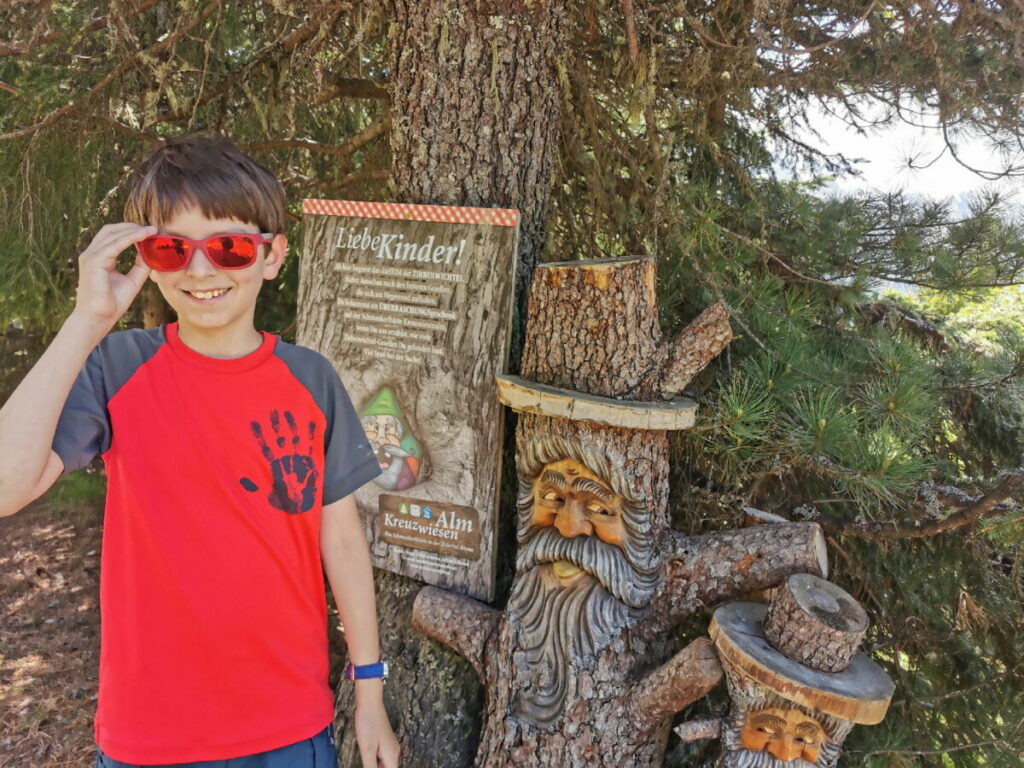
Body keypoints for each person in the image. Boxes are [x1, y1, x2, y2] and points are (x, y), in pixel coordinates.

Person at [0, 136, 401, 768]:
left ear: (273, 257)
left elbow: (342, 541)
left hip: (290, 727)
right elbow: (6, 487)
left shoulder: (311, 378)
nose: (201, 270)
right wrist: (86, 321)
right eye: (171, 248)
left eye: (231, 247)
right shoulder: (116, 365)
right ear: (147, 259)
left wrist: (370, 690)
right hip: (149, 734)